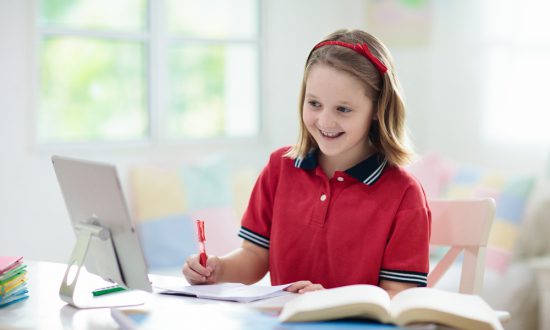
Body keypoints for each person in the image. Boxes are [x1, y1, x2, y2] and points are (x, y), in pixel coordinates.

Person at [182, 29, 431, 297]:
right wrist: (217, 269)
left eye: (343, 109)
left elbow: (399, 296)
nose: (325, 121)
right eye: (314, 103)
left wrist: (329, 302)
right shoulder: (280, 168)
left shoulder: (404, 194)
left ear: (377, 110)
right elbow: (254, 255)